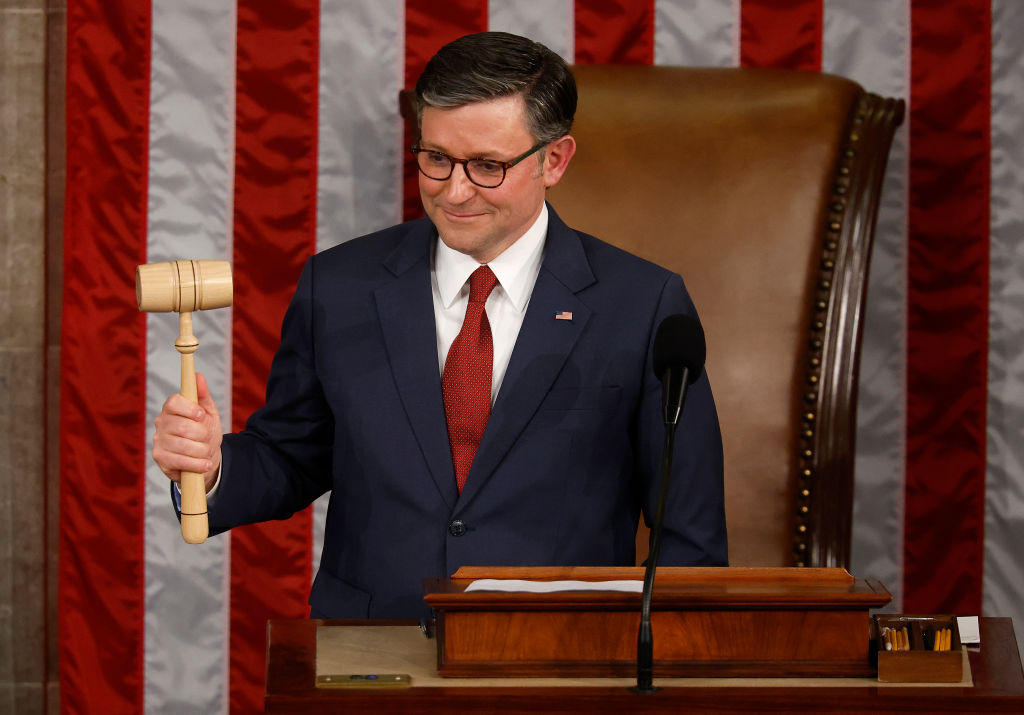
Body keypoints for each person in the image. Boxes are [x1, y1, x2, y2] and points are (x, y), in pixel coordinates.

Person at [152, 31, 727, 619]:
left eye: (487, 166)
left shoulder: (643, 304)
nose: (454, 191)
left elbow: (690, 536)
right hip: (374, 644)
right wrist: (211, 467)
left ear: (554, 160)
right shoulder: (340, 286)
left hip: (559, 649)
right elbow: (292, 457)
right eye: (436, 159)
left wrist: (660, 657)